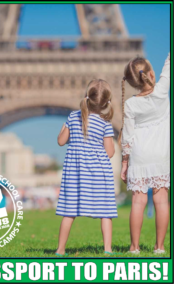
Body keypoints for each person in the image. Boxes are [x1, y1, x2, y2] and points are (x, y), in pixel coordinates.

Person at [56, 79, 118, 256]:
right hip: (98, 173)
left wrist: (63, 128)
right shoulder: (105, 123)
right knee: (106, 211)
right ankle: (107, 250)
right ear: (106, 102)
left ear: (87, 97)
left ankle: (60, 249)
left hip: (75, 173)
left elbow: (61, 142)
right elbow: (110, 152)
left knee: (69, 212)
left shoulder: (73, 117)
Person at [120, 53, 170, 254]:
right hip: (160, 155)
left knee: (138, 202)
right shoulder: (162, 91)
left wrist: (125, 163)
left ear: (132, 83)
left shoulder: (131, 104)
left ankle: (134, 246)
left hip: (139, 155)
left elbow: (128, 136)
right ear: (151, 73)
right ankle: (160, 246)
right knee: (161, 201)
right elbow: (169, 62)